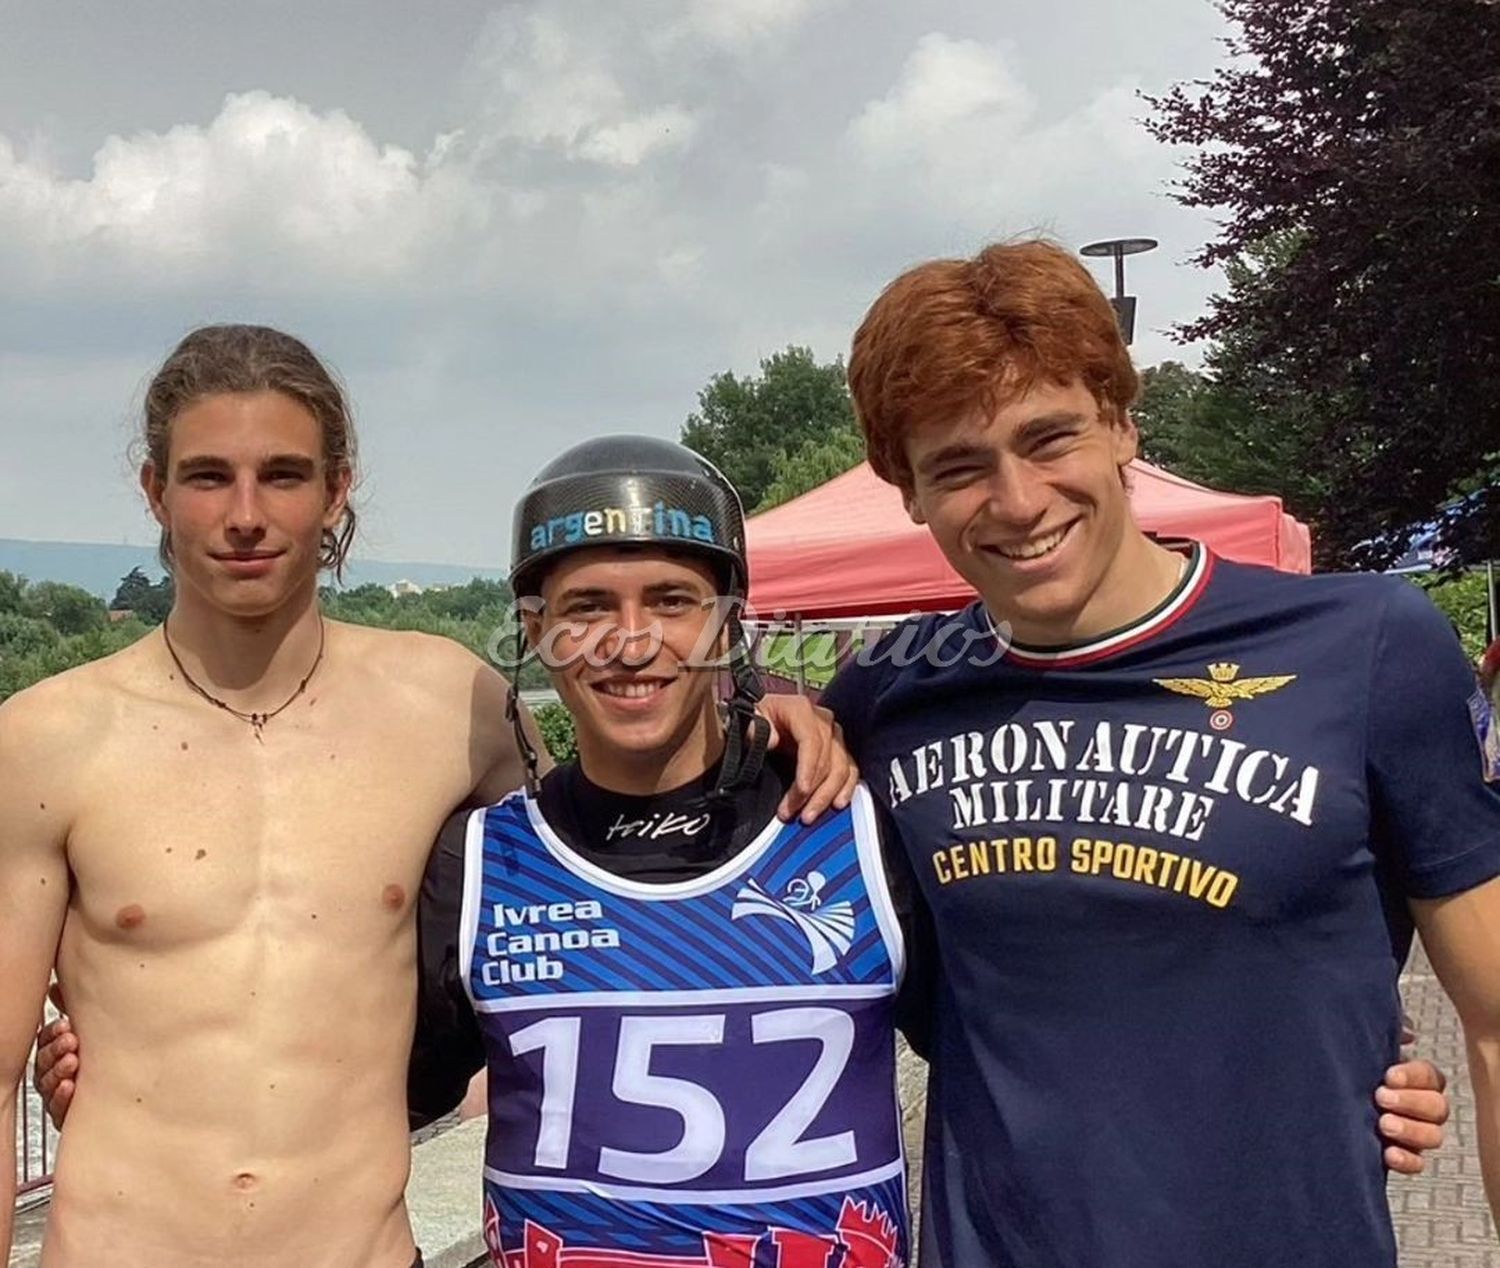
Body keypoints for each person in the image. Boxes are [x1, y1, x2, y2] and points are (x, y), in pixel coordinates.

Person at [0, 328, 849, 1267]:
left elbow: (612, 837)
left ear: (337, 490)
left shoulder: (452, 705)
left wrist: (767, 703)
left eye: (283, 475)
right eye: (207, 477)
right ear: (155, 490)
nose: (245, 514)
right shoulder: (46, 741)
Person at [817, 238, 1499, 1267]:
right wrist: (771, 703)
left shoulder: (1366, 647)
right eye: (958, 466)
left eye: (1050, 439)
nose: (1017, 499)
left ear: (1124, 424)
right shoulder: (885, 695)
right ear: (905, 491)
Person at [405, 435, 920, 1265]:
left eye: (673, 600)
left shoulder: (854, 821)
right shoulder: (480, 863)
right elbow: (368, 1119)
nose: (631, 640)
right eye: (588, 606)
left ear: (728, 621)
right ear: (535, 631)